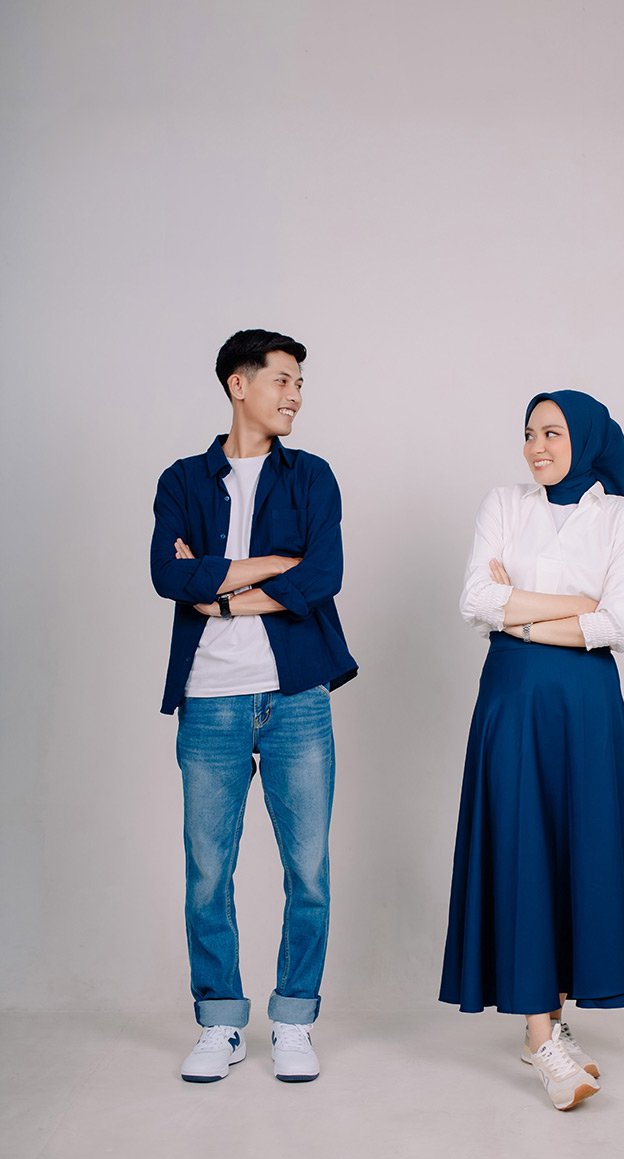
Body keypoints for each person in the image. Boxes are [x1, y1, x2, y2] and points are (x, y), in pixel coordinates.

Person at [439, 389, 624, 1111]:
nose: (536, 447)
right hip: (514, 699)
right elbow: (476, 601)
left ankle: (553, 1019)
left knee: (578, 850)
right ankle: (540, 1039)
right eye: (529, 433)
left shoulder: (620, 516)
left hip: (588, 704)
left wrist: (523, 617)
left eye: (553, 433)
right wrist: (578, 607)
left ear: (587, 439)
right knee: (523, 848)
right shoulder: (505, 504)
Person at [151, 329, 357, 1085]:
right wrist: (274, 565)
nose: (295, 394)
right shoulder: (182, 480)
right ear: (240, 385)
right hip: (209, 699)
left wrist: (223, 592)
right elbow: (167, 577)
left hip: (296, 696)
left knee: (309, 871)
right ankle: (221, 1022)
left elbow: (323, 573)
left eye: (300, 382)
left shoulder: (312, 477)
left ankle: (294, 1018)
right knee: (208, 872)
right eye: (283, 379)